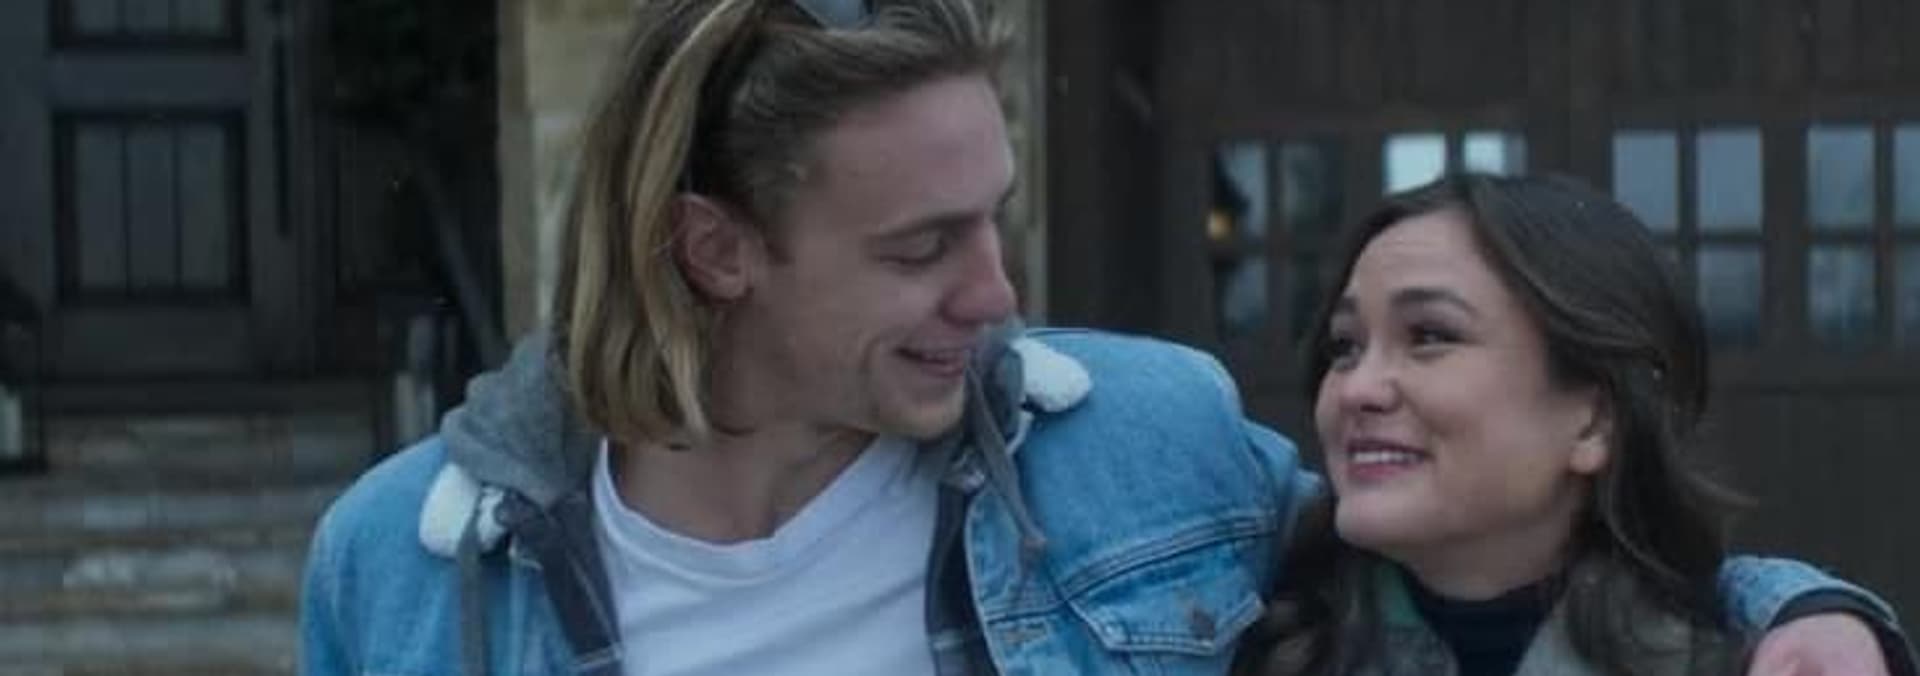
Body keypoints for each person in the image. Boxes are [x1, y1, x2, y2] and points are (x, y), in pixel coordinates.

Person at [298, 1, 1908, 674]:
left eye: (994, 220)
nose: (996, 293)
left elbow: (1488, 548)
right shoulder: (405, 569)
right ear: (717, 250)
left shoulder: (1134, 443)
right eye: (921, 248)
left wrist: (1798, 610)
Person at [1236, 174, 1917, 675]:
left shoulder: (1739, 658)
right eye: (1344, 346)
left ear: (1596, 419)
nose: (1357, 388)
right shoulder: (1235, 638)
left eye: (1430, 336)